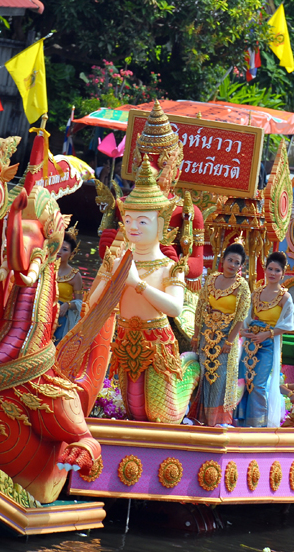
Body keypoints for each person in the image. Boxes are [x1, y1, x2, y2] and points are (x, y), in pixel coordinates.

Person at [89, 158, 189, 424]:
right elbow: (92, 303)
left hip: (157, 344)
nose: (132, 227)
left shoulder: (171, 267)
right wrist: (110, 275)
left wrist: (138, 283)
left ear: (161, 224)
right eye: (129, 219)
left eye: (142, 222)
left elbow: (175, 308)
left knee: (159, 415)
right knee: (133, 411)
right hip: (125, 341)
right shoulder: (118, 260)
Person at [234, 251, 294, 428]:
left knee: (258, 384)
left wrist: (266, 335)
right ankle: (242, 420)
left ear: (283, 273)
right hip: (250, 342)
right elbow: (247, 318)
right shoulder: (256, 293)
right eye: (270, 269)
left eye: (277, 270)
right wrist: (244, 333)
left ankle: (258, 424)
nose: (273, 273)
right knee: (243, 380)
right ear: (265, 269)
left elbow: (287, 325)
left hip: (267, 343)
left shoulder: (285, 297)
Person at [192, 242, 250, 426]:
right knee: (203, 375)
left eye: (237, 262)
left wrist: (230, 341)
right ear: (223, 260)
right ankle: (200, 418)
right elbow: (200, 308)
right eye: (230, 260)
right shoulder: (211, 279)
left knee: (220, 379)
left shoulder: (242, 286)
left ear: (241, 266)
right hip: (206, 336)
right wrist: (195, 335)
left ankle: (216, 420)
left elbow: (241, 316)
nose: (232, 264)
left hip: (225, 339)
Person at [53, 227, 84, 343]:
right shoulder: (45, 268)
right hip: (42, 313)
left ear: (72, 253)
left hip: (61, 318)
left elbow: (80, 303)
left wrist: (68, 305)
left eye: (65, 249)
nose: (60, 251)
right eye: (58, 246)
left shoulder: (75, 276)